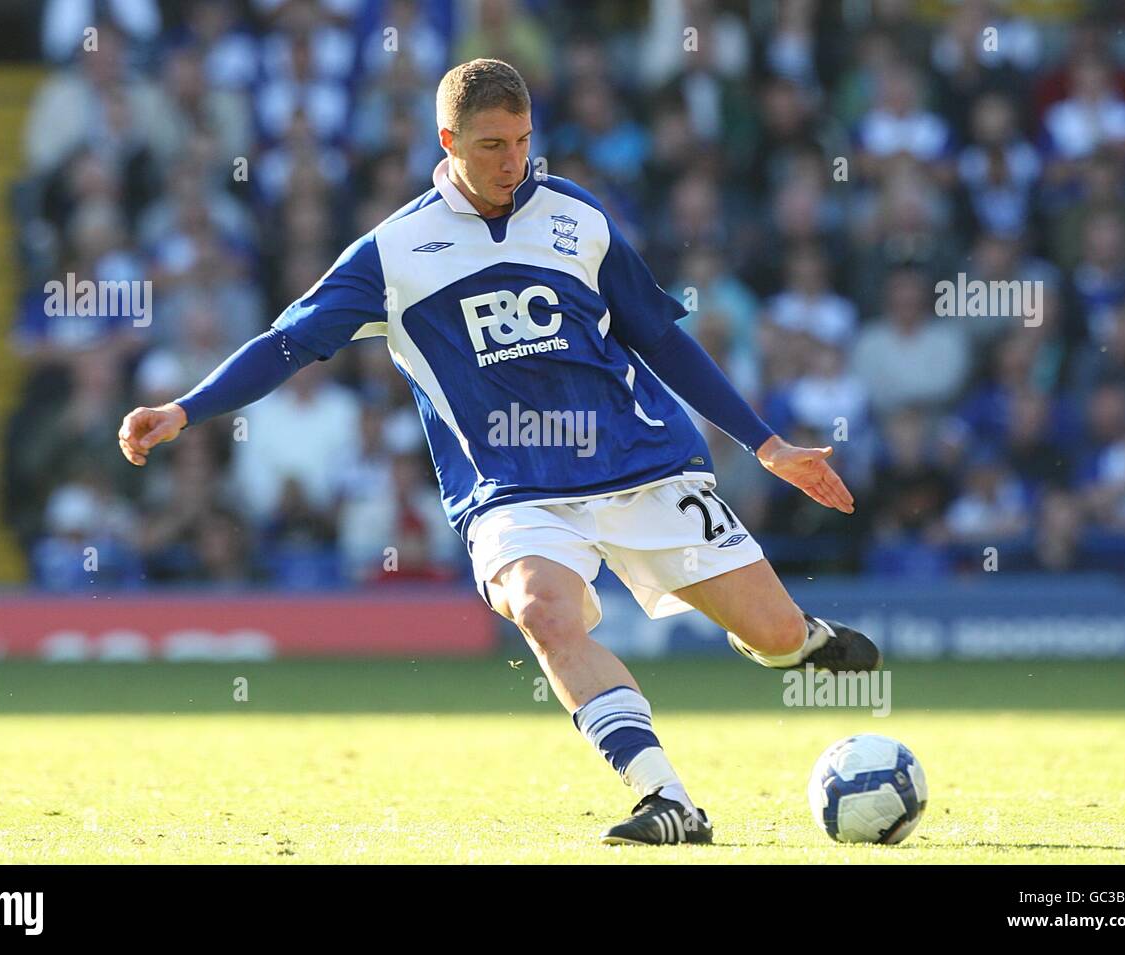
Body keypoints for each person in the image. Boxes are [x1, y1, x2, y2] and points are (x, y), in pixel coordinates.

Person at [118, 59, 879, 846]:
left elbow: (658, 337)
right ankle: (668, 799)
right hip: (512, 491)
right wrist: (184, 407)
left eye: (521, 140)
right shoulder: (394, 251)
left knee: (774, 633)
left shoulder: (578, 216)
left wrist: (765, 442)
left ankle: (800, 642)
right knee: (544, 614)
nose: (512, 161)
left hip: (641, 462)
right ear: (446, 141)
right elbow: (286, 344)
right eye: (490, 144)